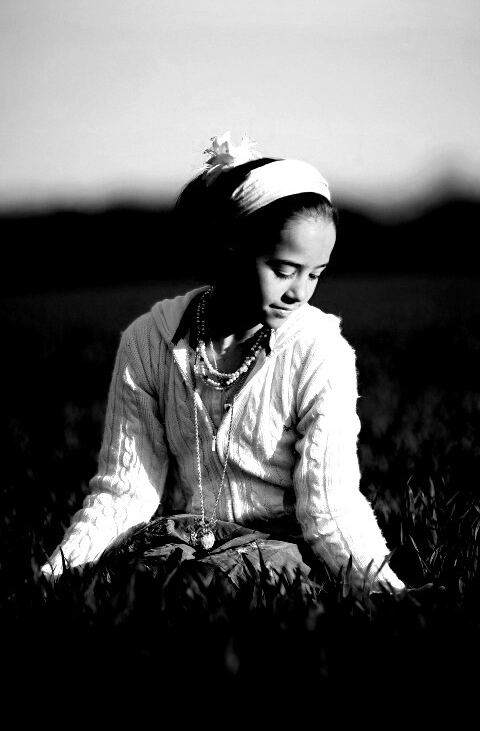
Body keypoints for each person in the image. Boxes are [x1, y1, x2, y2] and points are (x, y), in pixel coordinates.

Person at [41, 132, 405, 593]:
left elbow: (330, 505)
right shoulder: (147, 342)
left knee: (205, 585)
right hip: (184, 540)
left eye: (315, 274)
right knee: (133, 582)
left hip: (282, 550)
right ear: (232, 246)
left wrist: (388, 594)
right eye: (283, 269)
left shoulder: (320, 351)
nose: (299, 292)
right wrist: (54, 577)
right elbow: (123, 492)